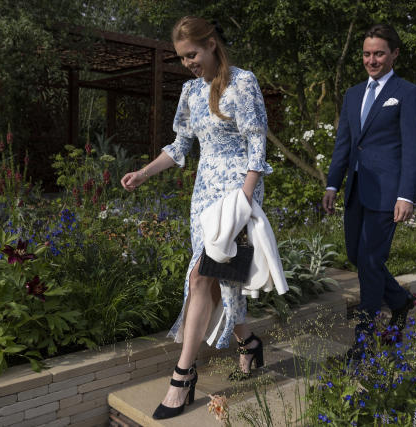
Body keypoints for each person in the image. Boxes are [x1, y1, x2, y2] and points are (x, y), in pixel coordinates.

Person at [121, 16, 273, 420]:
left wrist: (245, 198)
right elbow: (180, 145)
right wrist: (144, 173)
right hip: (203, 197)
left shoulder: (243, 82)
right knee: (219, 278)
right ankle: (249, 344)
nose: (187, 62)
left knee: (200, 276)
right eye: (182, 57)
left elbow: (257, 143)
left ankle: (182, 376)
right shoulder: (189, 92)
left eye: (192, 54)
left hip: (238, 193)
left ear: (211, 45)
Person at [322, 24, 416, 361]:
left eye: (379, 53)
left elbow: (413, 148)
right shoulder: (353, 94)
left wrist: (406, 195)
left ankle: (363, 342)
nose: (372, 59)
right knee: (356, 256)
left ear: (394, 53)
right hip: (355, 190)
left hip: (388, 195)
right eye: (367, 53)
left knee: (369, 262)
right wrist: (332, 184)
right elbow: (345, 145)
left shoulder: (407, 92)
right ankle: (399, 301)